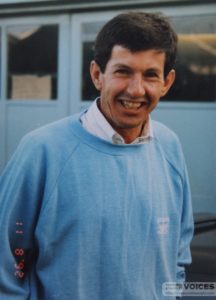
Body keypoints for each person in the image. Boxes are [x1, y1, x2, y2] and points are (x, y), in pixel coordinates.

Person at [0, 11, 193, 300]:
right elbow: (8, 261)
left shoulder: (169, 145)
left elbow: (178, 251)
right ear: (97, 75)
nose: (136, 89)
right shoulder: (41, 151)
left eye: (150, 75)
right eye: (123, 71)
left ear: (166, 82)